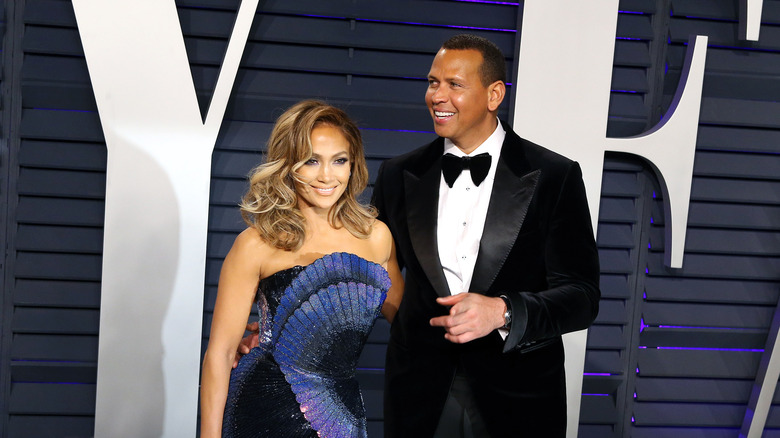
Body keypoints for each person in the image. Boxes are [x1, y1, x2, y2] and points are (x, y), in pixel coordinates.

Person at [371, 34, 601, 437]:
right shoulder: (396, 175)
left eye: (454, 85)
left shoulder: (555, 176)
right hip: (419, 395)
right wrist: (273, 333)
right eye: (432, 82)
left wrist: (503, 311)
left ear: (494, 94)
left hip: (519, 398)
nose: (437, 96)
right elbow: (365, 272)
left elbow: (582, 297)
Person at [200, 100, 404, 438]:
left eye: (339, 161)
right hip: (262, 408)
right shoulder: (256, 243)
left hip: (341, 413)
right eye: (311, 161)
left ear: (353, 166)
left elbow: (409, 324)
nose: (327, 176)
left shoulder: (376, 237)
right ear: (288, 166)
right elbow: (220, 354)